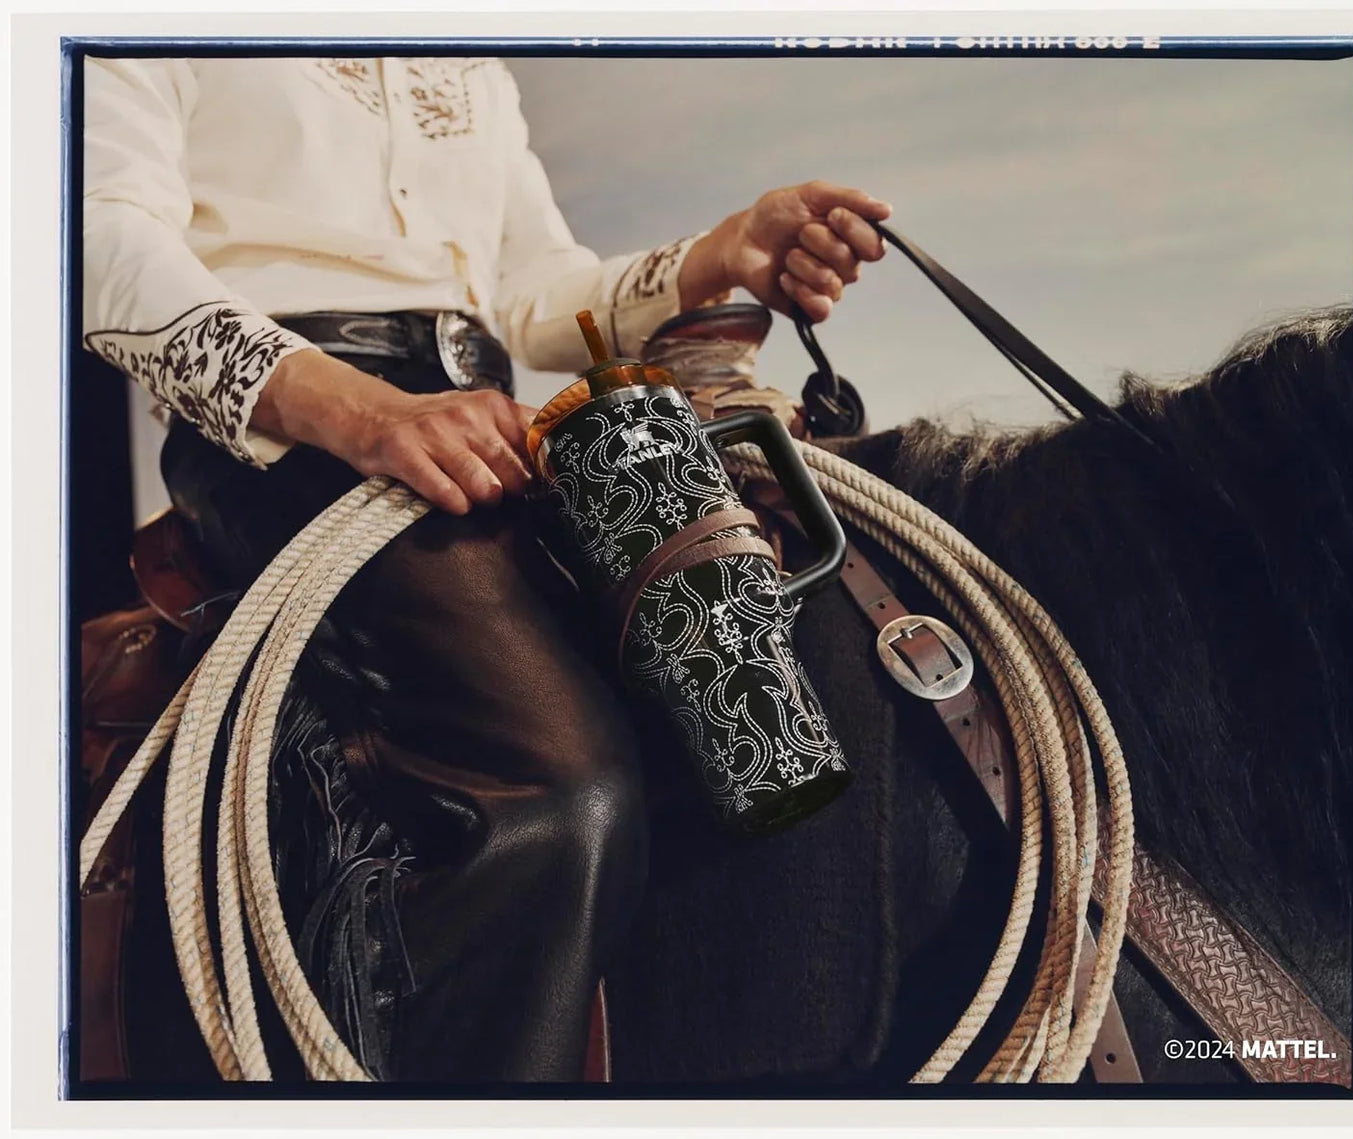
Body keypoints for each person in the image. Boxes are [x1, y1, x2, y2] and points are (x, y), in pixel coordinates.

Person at [82, 54, 891, 1082]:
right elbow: (95, 232)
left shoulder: (465, 63)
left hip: (496, 427)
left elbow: (531, 296)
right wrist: (356, 408)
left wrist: (716, 253)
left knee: (763, 721)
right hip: (282, 433)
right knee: (558, 792)